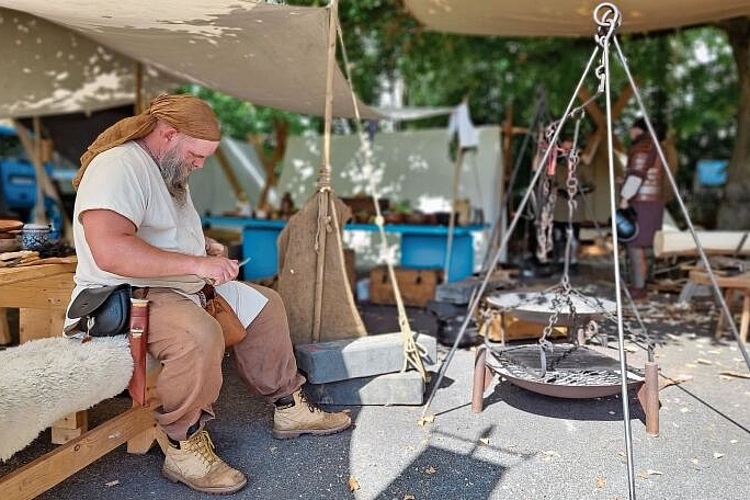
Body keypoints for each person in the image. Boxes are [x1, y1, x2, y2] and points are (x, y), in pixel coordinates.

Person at [64, 94, 351, 495]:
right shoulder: (118, 166)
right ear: (168, 135)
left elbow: (163, 233)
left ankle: (289, 407)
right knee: (199, 334)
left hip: (177, 283)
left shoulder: (168, 169)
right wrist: (197, 266)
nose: (200, 164)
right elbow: (110, 250)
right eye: (196, 155)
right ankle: (184, 445)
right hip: (126, 294)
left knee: (265, 306)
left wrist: (204, 249)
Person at [619, 116, 668, 300]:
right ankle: (642, 284)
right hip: (654, 202)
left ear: (638, 130)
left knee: (634, 244)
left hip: (642, 203)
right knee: (645, 245)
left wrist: (625, 198)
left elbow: (637, 175)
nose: (630, 133)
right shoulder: (658, 147)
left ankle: (639, 287)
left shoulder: (643, 147)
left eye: (632, 129)